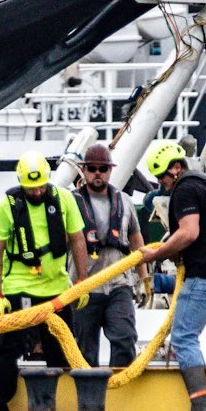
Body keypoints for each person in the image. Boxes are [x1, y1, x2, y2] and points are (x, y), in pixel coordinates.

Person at [0, 153, 90, 411]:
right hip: (18, 288)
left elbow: (78, 240)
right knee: (8, 350)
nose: (38, 191)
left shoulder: (64, 200)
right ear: (21, 183)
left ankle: (59, 409)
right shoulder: (6, 208)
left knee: (62, 350)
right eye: (32, 188)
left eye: (42, 186)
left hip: (56, 291)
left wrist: (82, 282)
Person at [137, 142, 206, 411]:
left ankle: (202, 406)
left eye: (162, 178)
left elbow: (189, 232)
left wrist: (157, 254)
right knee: (189, 336)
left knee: (182, 338)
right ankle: (202, 402)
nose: (161, 185)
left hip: (204, 276)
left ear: (176, 168)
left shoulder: (185, 189)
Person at [70, 142, 145, 369]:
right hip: (84, 287)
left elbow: (135, 239)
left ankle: (121, 391)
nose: (97, 173)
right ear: (83, 170)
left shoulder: (125, 202)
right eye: (92, 168)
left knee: (125, 338)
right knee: (84, 349)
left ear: (110, 171)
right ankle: (88, 398)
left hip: (118, 285)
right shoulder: (70, 203)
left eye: (103, 169)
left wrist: (144, 279)